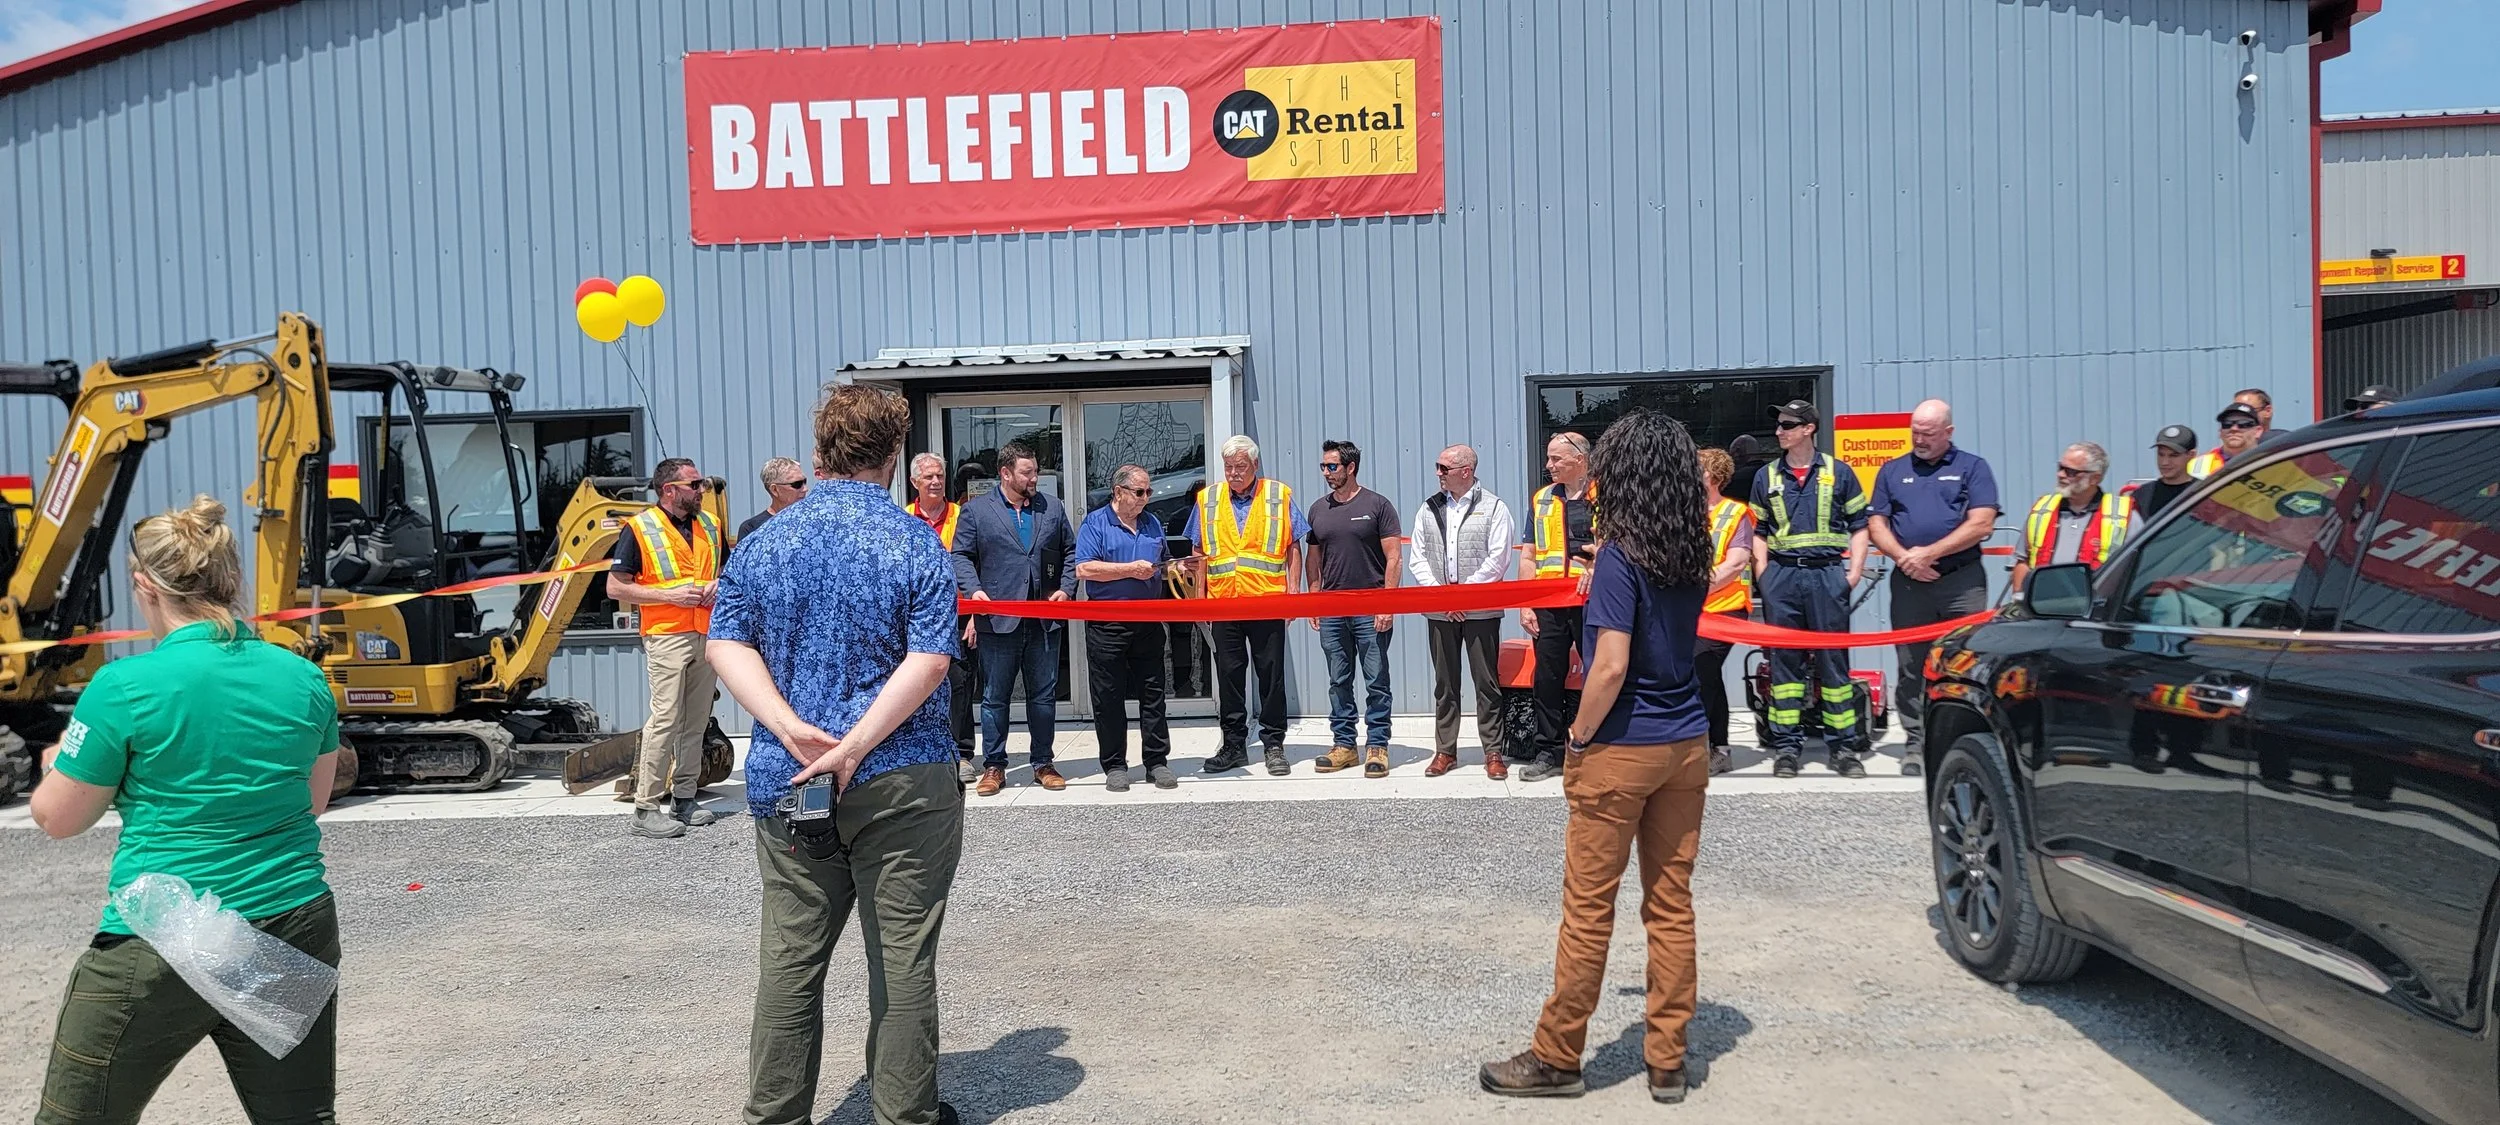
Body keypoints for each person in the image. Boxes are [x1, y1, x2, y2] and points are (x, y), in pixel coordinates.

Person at [30, 496, 345, 1125]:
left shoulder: (123, 687)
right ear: (230, 580)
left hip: (160, 936)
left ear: (145, 584)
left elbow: (58, 818)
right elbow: (311, 800)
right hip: (291, 921)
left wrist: (57, 761)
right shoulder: (302, 677)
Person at [707, 383, 963, 1125]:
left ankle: (774, 1115)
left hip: (792, 780)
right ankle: (904, 1114)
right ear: (893, 455)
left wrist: (790, 728)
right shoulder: (914, 540)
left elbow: (725, 640)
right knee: (903, 963)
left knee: (790, 962)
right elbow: (930, 661)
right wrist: (853, 746)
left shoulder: (762, 541)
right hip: (902, 780)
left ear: (818, 452)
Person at [1479, 410, 1714, 1107]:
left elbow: (1608, 666)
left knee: (1588, 910)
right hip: (1686, 743)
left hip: (1620, 746)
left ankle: (1558, 1056)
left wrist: (1576, 736)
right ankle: (1668, 1060)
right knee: (1671, 905)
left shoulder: (1619, 555)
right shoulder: (1690, 547)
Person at [1866, 399, 1999, 773]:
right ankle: (1916, 741)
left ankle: (1965, 738)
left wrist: (1929, 553)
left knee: (1966, 661)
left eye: (1928, 433)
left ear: (1949, 432)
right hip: (1910, 584)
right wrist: (1905, 558)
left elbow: (1981, 523)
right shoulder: (1892, 471)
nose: (1919, 440)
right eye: (1915, 432)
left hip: (1961, 583)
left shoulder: (1972, 468)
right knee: (1912, 665)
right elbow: (1877, 523)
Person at [1748, 399, 1871, 779]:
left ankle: (1844, 748)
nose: (1779, 430)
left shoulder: (1840, 472)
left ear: (1808, 429)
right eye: (1780, 424)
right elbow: (1759, 532)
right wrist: (1764, 575)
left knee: (1835, 667)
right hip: (1782, 579)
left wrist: (1853, 573)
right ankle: (1786, 748)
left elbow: (1860, 525)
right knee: (1785, 667)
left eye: (1788, 424)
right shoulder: (1765, 476)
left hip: (1827, 574)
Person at [609, 456, 726, 839]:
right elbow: (615, 587)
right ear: (669, 490)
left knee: (695, 722)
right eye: (694, 484)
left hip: (705, 632)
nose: (701, 490)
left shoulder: (710, 523)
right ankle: (646, 807)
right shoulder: (640, 529)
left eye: (701, 483)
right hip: (666, 635)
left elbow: (724, 571)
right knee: (665, 719)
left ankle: (685, 799)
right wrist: (670, 595)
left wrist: (717, 585)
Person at [952, 441, 1077, 797]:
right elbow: (959, 555)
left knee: (1043, 695)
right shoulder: (976, 511)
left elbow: (1070, 551)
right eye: (1027, 472)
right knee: (994, 698)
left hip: (1042, 622)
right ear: (1006, 473)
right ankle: (994, 765)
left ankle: (1043, 762)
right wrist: (973, 590)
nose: (1034, 477)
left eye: (1035, 471)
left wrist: (1066, 588)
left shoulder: (1051, 508)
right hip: (998, 620)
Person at [1185, 435, 1304, 777]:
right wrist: (1199, 600)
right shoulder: (1208, 499)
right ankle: (1234, 744)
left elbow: (1293, 546)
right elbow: (1198, 551)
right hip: (1223, 604)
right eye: (1228, 467)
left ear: (1255, 465)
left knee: (1271, 676)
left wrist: (1293, 594)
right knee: (1229, 677)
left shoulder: (1278, 496)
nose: (1233, 473)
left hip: (1267, 601)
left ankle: (1273, 744)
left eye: (1240, 467)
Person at [1409, 443, 1516, 779]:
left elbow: (1498, 558)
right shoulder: (1428, 508)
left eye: (1444, 468)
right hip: (1441, 611)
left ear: (1466, 471)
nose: (1438, 473)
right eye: (1438, 467)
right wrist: (1444, 597)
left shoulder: (1495, 507)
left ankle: (1493, 752)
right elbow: (1418, 556)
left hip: (1480, 610)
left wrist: (1464, 597)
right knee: (1446, 684)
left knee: (1487, 683)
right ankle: (1445, 751)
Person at [1074, 464, 1177, 792]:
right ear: (1118, 492)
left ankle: (1157, 761)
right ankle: (1115, 764)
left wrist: (1178, 569)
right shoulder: (1095, 523)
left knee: (1153, 693)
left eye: (1149, 492)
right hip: (1108, 625)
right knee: (1109, 696)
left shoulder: (1152, 523)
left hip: (1148, 623)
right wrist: (1129, 570)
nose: (1146, 498)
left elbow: (1166, 562)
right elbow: (1085, 568)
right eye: (1139, 492)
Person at [1304, 438, 1402, 778]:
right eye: (1323, 466)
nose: (1327, 472)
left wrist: (1387, 603)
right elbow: (1312, 558)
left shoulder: (1378, 505)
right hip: (1331, 607)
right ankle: (1344, 745)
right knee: (1338, 679)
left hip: (1371, 606)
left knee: (1376, 679)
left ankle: (1377, 746)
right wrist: (1313, 597)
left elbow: (1394, 558)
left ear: (1351, 468)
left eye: (1332, 466)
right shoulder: (1318, 509)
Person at [1517, 432, 1598, 783]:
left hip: (1592, 601)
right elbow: (1529, 554)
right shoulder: (1542, 499)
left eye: (1556, 459)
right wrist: (1526, 604)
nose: (1549, 466)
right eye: (1548, 459)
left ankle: (1597, 747)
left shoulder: (1604, 495)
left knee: (1599, 674)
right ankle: (1548, 750)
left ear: (1580, 459)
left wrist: (1597, 568)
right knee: (1547, 677)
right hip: (1548, 603)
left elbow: (1618, 543)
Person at [906, 452, 979, 782]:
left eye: (939, 475)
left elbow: (977, 569)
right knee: (918, 684)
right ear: (914, 483)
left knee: (961, 684)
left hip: (961, 614)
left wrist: (977, 615)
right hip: (918, 616)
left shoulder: (964, 516)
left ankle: (962, 754)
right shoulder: (903, 518)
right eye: (928, 477)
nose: (935, 482)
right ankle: (927, 753)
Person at [1695, 448, 1755, 775]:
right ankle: (1718, 748)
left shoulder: (1736, 513)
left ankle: (1700, 747)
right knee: (1707, 675)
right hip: (1691, 611)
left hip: (1725, 609)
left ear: (1713, 477)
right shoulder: (1684, 512)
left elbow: (1735, 562)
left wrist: (1695, 588)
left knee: (1699, 668)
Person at [2011, 441, 2132, 592]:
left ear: (2095, 478)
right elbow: (2023, 561)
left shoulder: (2122, 513)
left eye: (2071, 472)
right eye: (2060, 468)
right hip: (2043, 605)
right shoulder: (2043, 509)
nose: (2060, 475)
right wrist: (2018, 600)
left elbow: (2137, 566)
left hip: (2096, 607)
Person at [2132, 425, 2199, 522]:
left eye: (2174, 455)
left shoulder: (2204, 492)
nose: (2165, 462)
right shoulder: (2142, 495)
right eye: (2161, 454)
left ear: (2191, 455)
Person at [738, 456, 808, 543]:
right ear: (774, 490)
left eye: (805, 482)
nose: (805, 489)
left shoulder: (812, 521)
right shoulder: (751, 529)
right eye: (797, 484)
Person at [2190, 399, 2266, 479]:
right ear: (2220, 432)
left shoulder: (2269, 461)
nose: (2234, 428)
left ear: (2258, 431)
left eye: (2243, 424)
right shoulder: (2200, 464)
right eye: (2227, 424)